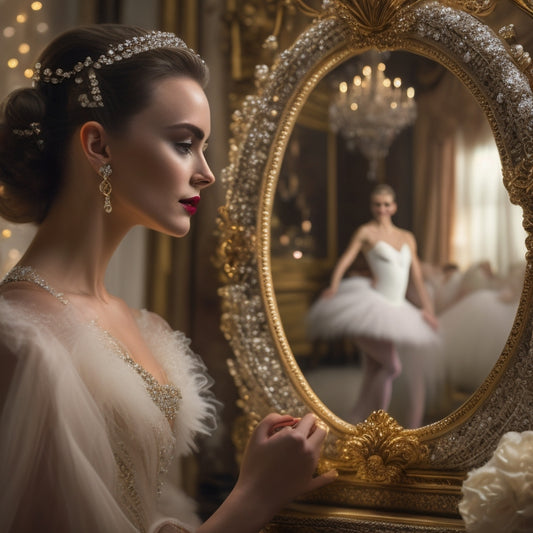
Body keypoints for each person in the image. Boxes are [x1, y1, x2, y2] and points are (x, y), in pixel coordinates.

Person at [0, 25, 336, 533]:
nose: (206, 172)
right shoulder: (20, 339)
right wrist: (252, 496)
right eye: (184, 143)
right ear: (98, 145)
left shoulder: (145, 325)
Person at [306, 184, 439, 428]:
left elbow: (416, 277)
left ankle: (360, 418)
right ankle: (377, 423)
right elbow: (345, 259)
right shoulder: (366, 232)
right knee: (392, 366)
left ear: (394, 207)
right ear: (372, 207)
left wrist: (427, 309)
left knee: (375, 366)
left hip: (397, 307)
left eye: (386, 204)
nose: (382, 209)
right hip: (371, 306)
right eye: (377, 204)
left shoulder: (407, 237)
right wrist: (334, 286)